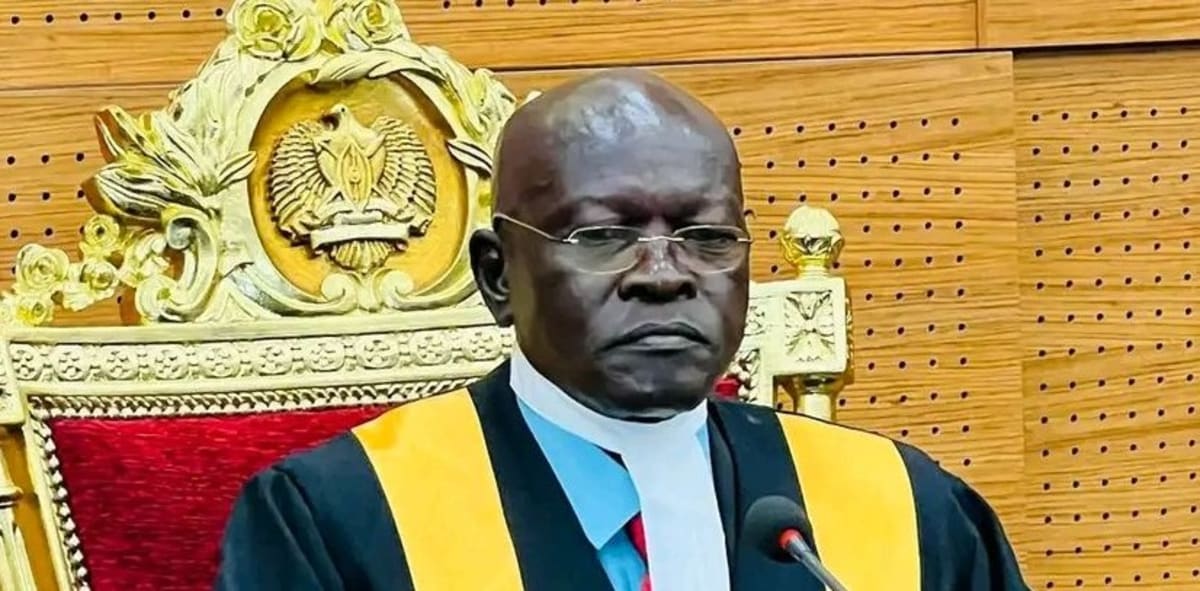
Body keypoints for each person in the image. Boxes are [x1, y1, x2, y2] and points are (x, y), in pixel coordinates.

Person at [215, 69, 1029, 591]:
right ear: (499, 275)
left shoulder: (896, 510)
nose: (665, 272)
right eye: (602, 238)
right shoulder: (340, 520)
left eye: (707, 237)